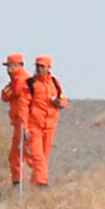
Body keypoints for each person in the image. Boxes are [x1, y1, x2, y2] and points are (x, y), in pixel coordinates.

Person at [24, 55, 68, 186]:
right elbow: (24, 105)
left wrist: (61, 103)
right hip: (35, 125)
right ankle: (41, 183)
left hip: (50, 126)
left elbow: (63, 98)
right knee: (38, 156)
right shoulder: (31, 84)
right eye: (37, 66)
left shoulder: (55, 82)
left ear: (49, 67)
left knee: (44, 156)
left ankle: (35, 182)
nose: (39, 69)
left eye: (42, 66)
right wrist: (25, 126)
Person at [0, 53, 31, 185]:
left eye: (10, 66)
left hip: (23, 123)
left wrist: (24, 125)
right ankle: (19, 182)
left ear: (18, 66)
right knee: (16, 155)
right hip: (19, 123)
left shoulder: (22, 81)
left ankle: (19, 184)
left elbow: (22, 104)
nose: (8, 70)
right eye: (7, 66)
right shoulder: (15, 81)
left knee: (18, 155)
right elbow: (4, 96)